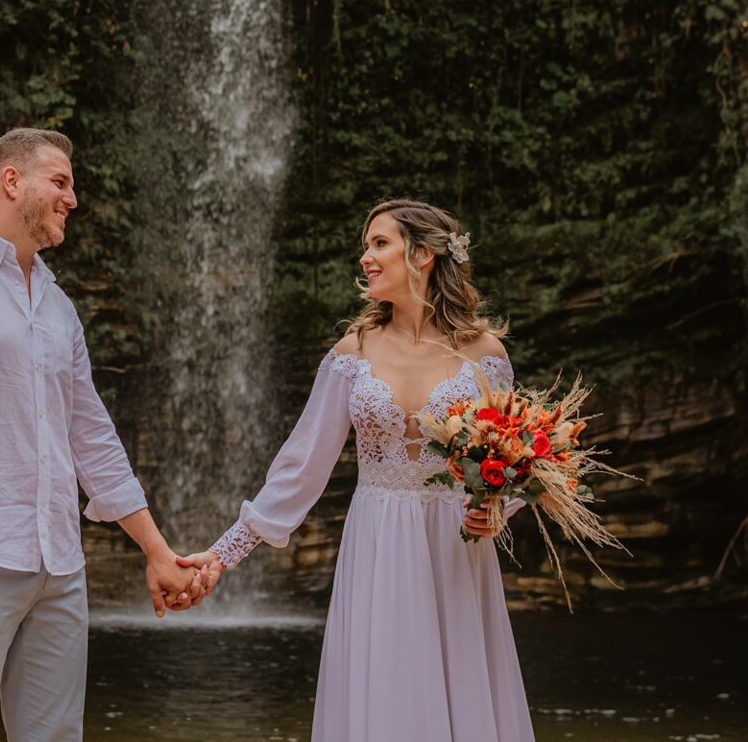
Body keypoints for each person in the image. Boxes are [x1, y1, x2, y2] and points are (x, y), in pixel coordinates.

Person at [0, 127, 210, 742]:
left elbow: (91, 436)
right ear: (11, 181)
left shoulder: (57, 304)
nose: (73, 198)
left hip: (59, 564)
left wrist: (156, 551)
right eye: (61, 181)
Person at [180, 198, 537, 742]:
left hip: (456, 546)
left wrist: (492, 507)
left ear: (422, 255)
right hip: (379, 543)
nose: (366, 258)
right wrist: (222, 553)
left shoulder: (485, 354)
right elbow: (300, 468)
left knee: (460, 687)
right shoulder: (353, 353)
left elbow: (510, 458)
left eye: (379, 244)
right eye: (365, 247)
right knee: (384, 696)